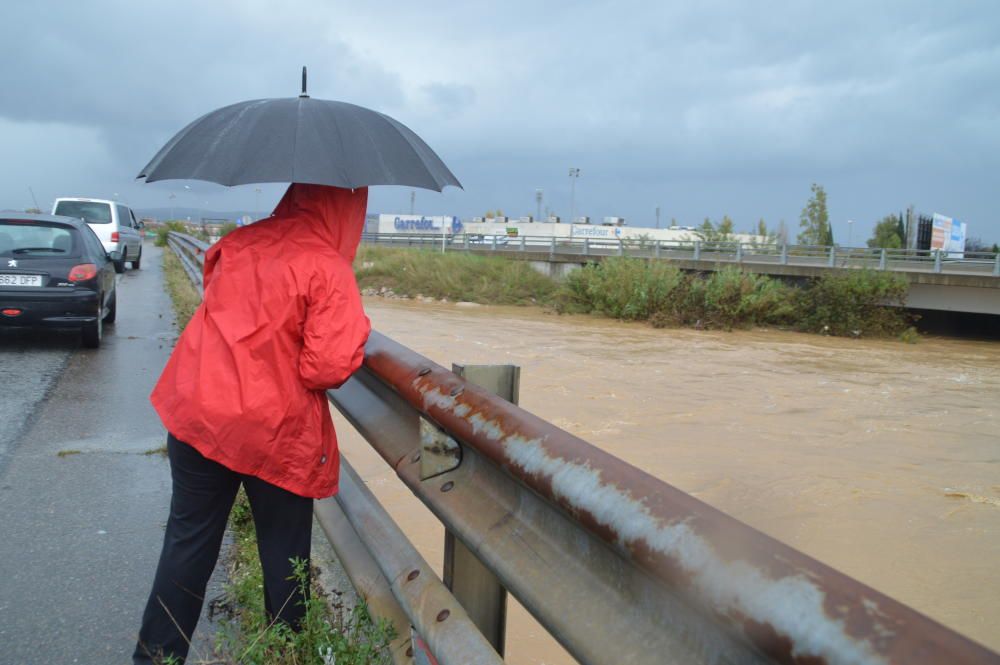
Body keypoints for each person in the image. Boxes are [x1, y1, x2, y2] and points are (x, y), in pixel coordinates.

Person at [134, 184, 371, 664]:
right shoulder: (327, 267)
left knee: (187, 544)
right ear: (348, 209)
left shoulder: (238, 243)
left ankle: (155, 658)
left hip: (199, 413)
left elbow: (224, 312)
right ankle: (284, 655)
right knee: (285, 559)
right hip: (273, 429)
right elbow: (325, 368)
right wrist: (355, 329)